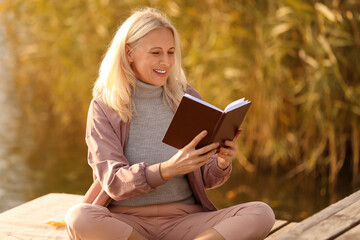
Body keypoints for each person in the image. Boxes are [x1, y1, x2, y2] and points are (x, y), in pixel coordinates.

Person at [65, 7, 275, 240]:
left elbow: (206, 178)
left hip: (185, 220)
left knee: (261, 212)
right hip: (125, 222)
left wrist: (222, 162)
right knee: (79, 217)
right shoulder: (104, 108)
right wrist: (167, 170)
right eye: (156, 52)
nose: (165, 61)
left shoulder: (186, 98)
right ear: (129, 53)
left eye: (171, 52)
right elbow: (113, 182)